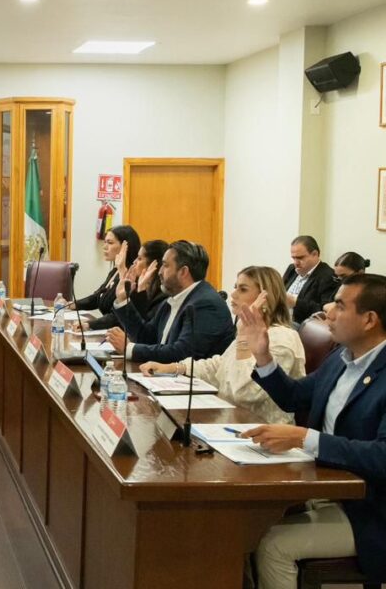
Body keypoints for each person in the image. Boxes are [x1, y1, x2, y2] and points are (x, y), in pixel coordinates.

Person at [239, 273, 386, 588]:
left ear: (369, 320)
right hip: (327, 488)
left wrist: (304, 438)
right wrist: (263, 355)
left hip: (371, 510)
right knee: (244, 525)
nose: (328, 311)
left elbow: (382, 456)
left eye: (340, 305)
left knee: (273, 545)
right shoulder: (341, 358)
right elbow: (294, 396)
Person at [139, 266, 303, 424]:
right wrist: (174, 368)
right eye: (235, 287)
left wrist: (243, 337)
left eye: (243, 289)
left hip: (265, 430)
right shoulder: (252, 331)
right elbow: (221, 366)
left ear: (265, 299)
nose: (233, 294)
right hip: (232, 422)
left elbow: (244, 393)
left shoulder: (283, 339)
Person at [108, 240, 236, 363]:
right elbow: (146, 337)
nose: (159, 272)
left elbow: (182, 354)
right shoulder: (172, 300)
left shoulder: (206, 304)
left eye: (165, 265)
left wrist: (130, 349)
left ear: (183, 272)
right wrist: (123, 300)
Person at [73, 225, 140, 330]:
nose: (104, 247)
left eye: (110, 243)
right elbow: (98, 297)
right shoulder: (115, 271)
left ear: (125, 247)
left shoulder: (133, 276)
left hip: (122, 334)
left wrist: (90, 324)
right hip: (108, 332)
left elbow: (118, 316)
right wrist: (72, 305)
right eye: (105, 242)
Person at [282, 235, 338, 325]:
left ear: (315, 254)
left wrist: (295, 302)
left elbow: (324, 311)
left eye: (300, 258)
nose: (296, 263)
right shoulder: (292, 269)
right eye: (293, 258)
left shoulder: (328, 276)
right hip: (281, 320)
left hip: (302, 325)